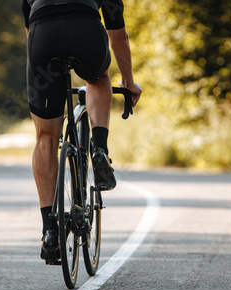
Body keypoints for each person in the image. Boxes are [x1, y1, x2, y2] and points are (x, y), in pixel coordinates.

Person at [22, 0, 142, 262]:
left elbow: (30, 32)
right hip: (85, 29)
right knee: (98, 79)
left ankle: (50, 231)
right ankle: (99, 150)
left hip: (43, 35)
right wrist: (129, 82)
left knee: (45, 138)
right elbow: (118, 36)